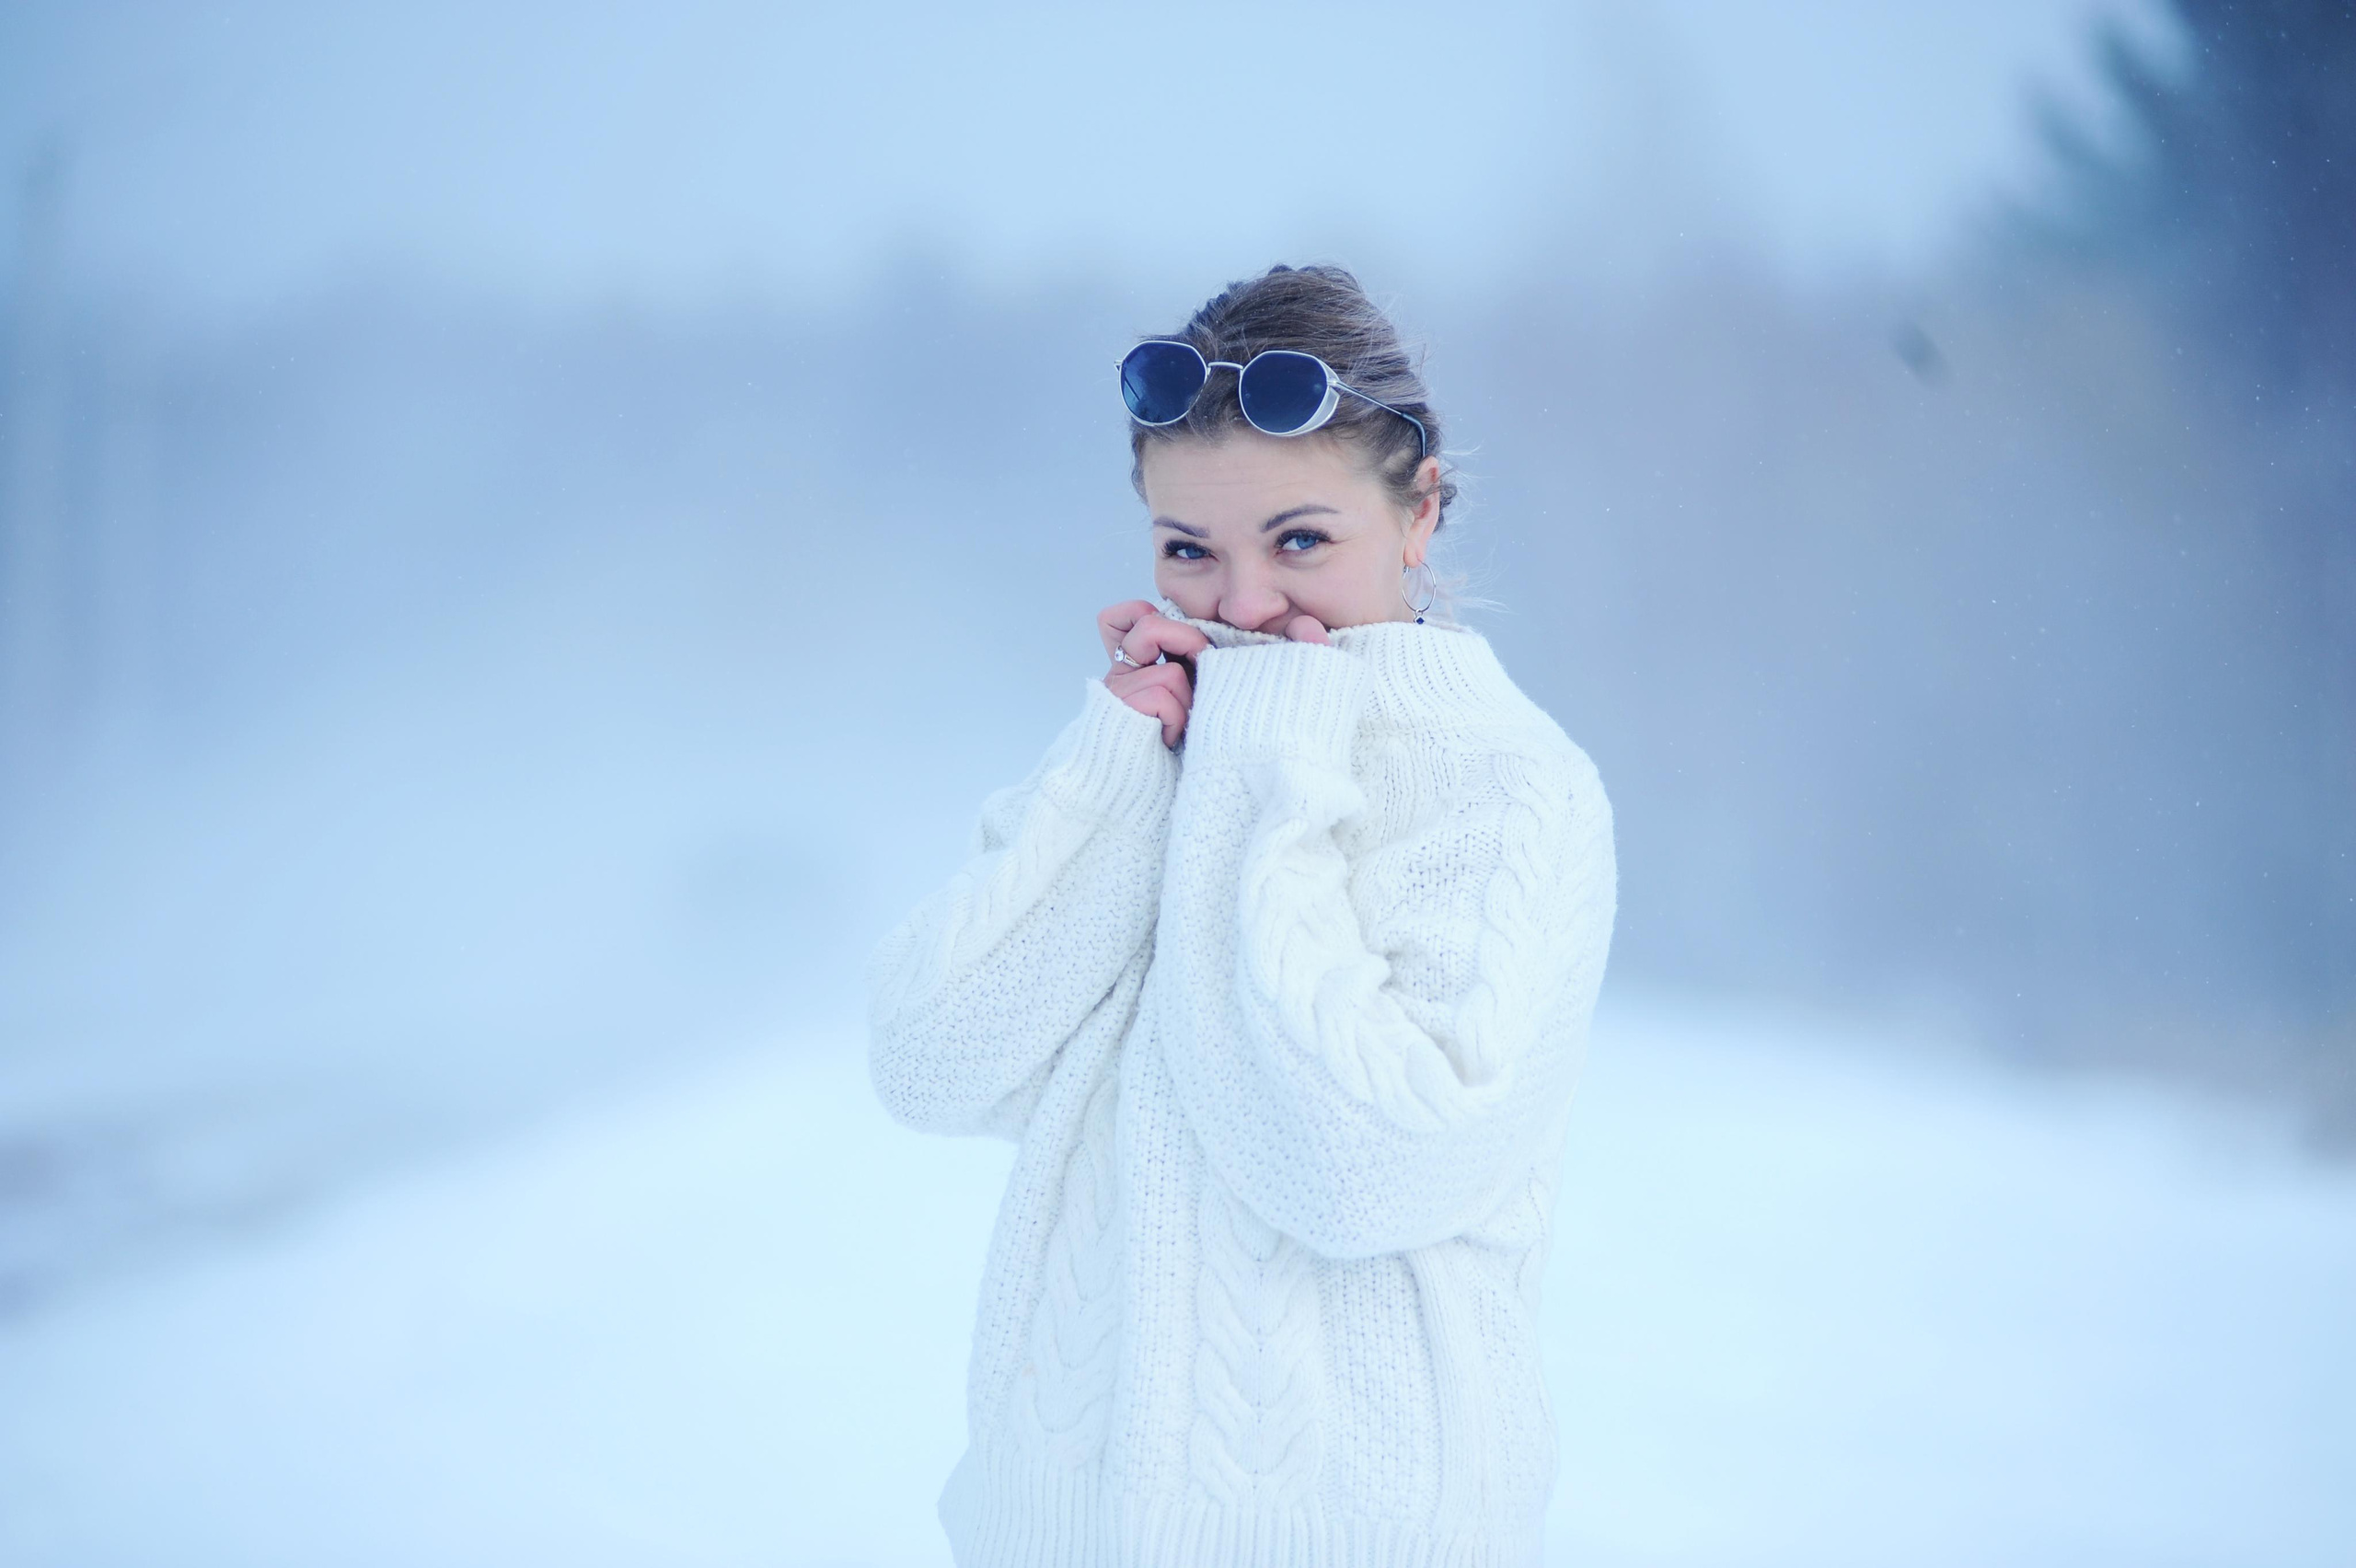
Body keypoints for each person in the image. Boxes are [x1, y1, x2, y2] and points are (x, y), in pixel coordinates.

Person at [864, 262, 1618, 1567]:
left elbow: (1358, 1167)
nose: (1243, 603)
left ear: (1419, 512)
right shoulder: (1158, 752)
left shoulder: (1513, 791)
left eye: (1302, 540)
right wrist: (1114, 772)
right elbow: (932, 1063)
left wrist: (1262, 765)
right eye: (1187, 551)